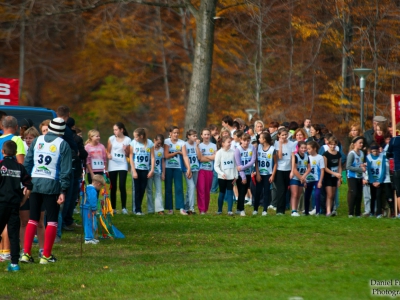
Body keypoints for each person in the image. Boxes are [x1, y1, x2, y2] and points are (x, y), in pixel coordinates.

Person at [21, 117, 72, 264]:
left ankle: (26, 254)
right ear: (61, 132)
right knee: (52, 220)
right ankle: (46, 256)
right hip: (52, 185)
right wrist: (63, 190)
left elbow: (28, 162)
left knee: (33, 218)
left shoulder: (37, 140)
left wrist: (26, 183)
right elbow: (65, 170)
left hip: (35, 183)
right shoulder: (63, 144)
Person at [0, 140, 32, 271]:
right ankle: (14, 263)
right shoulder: (20, 167)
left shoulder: (1, 165)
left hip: (1, 203)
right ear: (15, 152)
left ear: (3, 152)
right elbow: (29, 185)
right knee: (14, 234)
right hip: (15, 204)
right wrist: (23, 200)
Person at [20, 127, 46, 259]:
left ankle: (42, 249)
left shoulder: (41, 149)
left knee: (40, 221)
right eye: (26, 138)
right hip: (24, 188)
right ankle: (24, 248)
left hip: (37, 188)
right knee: (24, 221)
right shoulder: (21, 149)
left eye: (31, 137)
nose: (28, 140)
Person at [107, 122, 131, 215]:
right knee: (113, 187)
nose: (115, 131)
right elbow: (108, 151)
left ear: (122, 130)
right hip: (113, 164)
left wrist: (126, 149)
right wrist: (108, 155)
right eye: (114, 130)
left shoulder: (127, 139)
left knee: (122, 185)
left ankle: (124, 208)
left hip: (122, 164)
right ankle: (113, 208)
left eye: (116, 129)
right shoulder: (111, 138)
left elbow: (129, 154)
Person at [130, 128, 155, 215]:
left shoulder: (150, 143)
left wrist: (151, 170)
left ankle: (138, 208)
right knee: (137, 189)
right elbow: (131, 157)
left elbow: (152, 157)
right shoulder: (133, 143)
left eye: (136, 137)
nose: (135, 138)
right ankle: (137, 209)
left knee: (142, 188)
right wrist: (133, 171)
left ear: (141, 136)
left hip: (145, 169)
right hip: (136, 169)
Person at [274, 128, 296, 215]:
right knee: (281, 189)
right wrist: (280, 145)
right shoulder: (276, 144)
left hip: (288, 169)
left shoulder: (291, 144)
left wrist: (292, 170)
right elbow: (279, 157)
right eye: (282, 135)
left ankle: (285, 208)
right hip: (279, 170)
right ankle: (279, 210)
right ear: (279, 135)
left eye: (285, 135)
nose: (284, 136)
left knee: (286, 190)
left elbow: (293, 157)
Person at [214, 136, 238, 215]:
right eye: (228, 142)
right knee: (222, 192)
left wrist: (236, 175)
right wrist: (221, 173)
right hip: (222, 177)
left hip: (231, 177)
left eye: (230, 142)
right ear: (223, 143)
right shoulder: (219, 153)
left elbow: (235, 165)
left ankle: (230, 210)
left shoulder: (233, 152)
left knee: (230, 192)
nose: (230, 143)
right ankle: (219, 210)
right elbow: (216, 166)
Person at [254, 132, 276, 216]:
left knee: (266, 192)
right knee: (257, 191)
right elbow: (256, 161)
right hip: (260, 173)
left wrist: (273, 175)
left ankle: (265, 210)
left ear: (264, 139)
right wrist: (257, 173)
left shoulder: (272, 149)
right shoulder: (258, 147)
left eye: (260, 138)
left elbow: (275, 163)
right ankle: (255, 209)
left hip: (268, 174)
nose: (259, 139)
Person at [234, 133, 256, 216]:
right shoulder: (238, 150)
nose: (246, 142)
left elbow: (252, 161)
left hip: (249, 173)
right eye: (244, 141)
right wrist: (243, 176)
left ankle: (239, 208)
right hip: (241, 174)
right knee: (242, 191)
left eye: (248, 140)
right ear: (241, 141)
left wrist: (243, 167)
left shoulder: (252, 148)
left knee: (245, 190)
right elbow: (238, 163)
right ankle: (241, 209)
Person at [197, 128, 217, 214]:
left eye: (208, 134)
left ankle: (206, 209)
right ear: (201, 136)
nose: (206, 136)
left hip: (210, 170)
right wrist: (210, 157)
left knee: (207, 191)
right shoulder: (199, 146)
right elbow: (200, 158)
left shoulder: (213, 146)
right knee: (201, 189)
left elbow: (215, 157)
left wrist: (205, 157)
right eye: (204, 134)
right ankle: (201, 209)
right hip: (201, 170)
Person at [81, 174, 105, 244]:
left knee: (91, 223)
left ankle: (91, 237)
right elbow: (92, 200)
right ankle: (88, 239)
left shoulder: (87, 187)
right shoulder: (92, 190)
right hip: (88, 209)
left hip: (86, 208)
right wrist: (94, 209)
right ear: (98, 184)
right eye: (101, 186)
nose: (100, 188)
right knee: (88, 223)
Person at [302, 141, 325, 215]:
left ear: (314, 149)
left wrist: (320, 181)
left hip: (316, 179)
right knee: (307, 195)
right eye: (307, 149)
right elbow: (305, 169)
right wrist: (304, 180)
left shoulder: (320, 157)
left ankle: (318, 211)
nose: (307, 150)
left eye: (309, 149)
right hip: (308, 180)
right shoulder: (306, 157)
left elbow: (322, 170)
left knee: (317, 195)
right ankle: (306, 212)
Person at [346, 136, 366, 217]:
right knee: (353, 193)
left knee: (359, 194)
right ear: (354, 144)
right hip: (352, 177)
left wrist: (364, 165)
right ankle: (350, 212)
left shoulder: (362, 153)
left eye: (362, 143)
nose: (361, 144)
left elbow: (361, 164)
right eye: (359, 143)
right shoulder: (352, 154)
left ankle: (358, 212)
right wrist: (360, 169)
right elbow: (348, 166)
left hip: (359, 177)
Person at [323, 136, 342, 216]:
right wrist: (334, 174)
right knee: (329, 194)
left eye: (334, 144)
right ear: (328, 144)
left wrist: (339, 178)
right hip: (328, 177)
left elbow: (339, 166)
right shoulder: (325, 154)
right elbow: (325, 167)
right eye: (331, 144)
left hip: (335, 177)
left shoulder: (338, 154)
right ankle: (328, 211)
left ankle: (331, 209)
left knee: (333, 195)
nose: (333, 146)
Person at [146, 134, 165, 215]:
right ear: (154, 140)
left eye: (161, 143)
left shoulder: (162, 150)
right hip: (149, 172)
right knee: (149, 190)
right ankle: (150, 209)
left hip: (158, 172)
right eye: (158, 143)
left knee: (158, 190)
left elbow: (163, 162)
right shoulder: (149, 148)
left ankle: (159, 209)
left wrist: (163, 172)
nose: (159, 145)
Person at [366, 143, 386, 218]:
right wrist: (372, 181)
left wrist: (379, 181)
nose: (375, 152)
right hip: (372, 180)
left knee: (378, 196)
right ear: (371, 151)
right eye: (373, 151)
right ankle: (371, 211)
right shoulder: (368, 158)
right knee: (373, 196)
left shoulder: (382, 157)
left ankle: (379, 212)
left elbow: (383, 169)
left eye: (376, 151)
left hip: (379, 180)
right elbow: (368, 170)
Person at [182, 130, 200, 215]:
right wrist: (187, 169)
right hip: (188, 169)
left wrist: (197, 146)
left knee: (191, 188)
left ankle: (186, 206)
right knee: (191, 187)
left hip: (196, 168)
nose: (195, 137)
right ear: (188, 136)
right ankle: (191, 208)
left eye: (196, 136)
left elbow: (199, 157)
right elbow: (184, 157)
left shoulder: (196, 145)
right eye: (193, 136)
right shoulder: (184, 145)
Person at [289, 141, 308, 216]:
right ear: (299, 148)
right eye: (302, 148)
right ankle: (293, 210)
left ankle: (295, 210)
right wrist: (301, 178)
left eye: (305, 148)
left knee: (299, 194)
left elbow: (309, 168)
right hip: (295, 178)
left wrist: (303, 177)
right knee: (294, 193)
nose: (303, 149)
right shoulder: (296, 156)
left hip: (302, 178)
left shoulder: (307, 156)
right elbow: (294, 169)